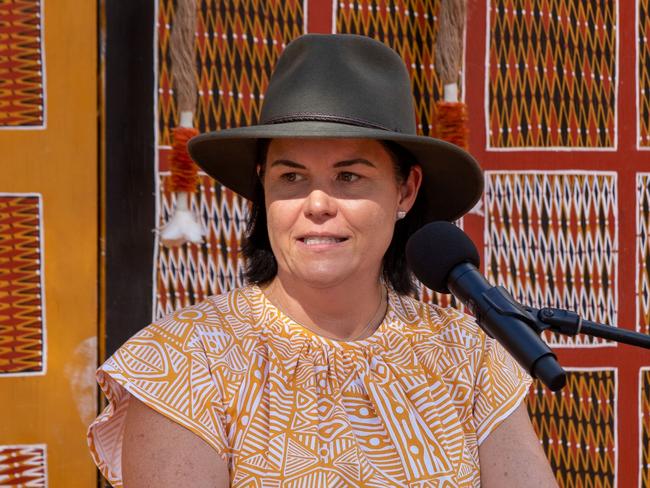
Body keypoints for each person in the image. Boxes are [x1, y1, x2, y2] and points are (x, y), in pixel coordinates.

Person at [88, 34, 558, 487]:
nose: (316, 204)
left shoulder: (465, 354)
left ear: (406, 190)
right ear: (263, 187)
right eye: (291, 176)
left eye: (349, 176)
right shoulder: (183, 361)